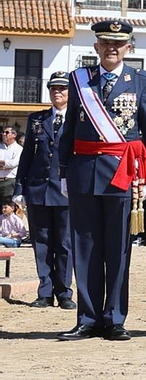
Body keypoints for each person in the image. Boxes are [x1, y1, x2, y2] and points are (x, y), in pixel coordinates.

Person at [59, 19, 146, 342]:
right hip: (84, 171)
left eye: (118, 44)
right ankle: (87, 318)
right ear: (96, 48)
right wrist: (63, 171)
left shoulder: (142, 80)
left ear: (129, 47)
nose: (112, 48)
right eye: (105, 43)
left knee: (118, 248)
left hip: (122, 172)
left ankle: (115, 317)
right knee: (85, 248)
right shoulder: (79, 80)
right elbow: (69, 129)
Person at [18, 72, 74, 310]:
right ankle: (44, 292)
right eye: (53, 89)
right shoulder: (37, 120)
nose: (57, 92)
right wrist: (20, 187)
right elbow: (27, 154)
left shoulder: (77, 119)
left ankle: (64, 292)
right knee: (41, 242)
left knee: (64, 243)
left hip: (65, 191)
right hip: (38, 189)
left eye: (62, 88)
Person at [0, 124, 21, 208]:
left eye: (7, 132)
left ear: (14, 135)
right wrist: (6, 165)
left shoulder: (18, 149)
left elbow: (13, 163)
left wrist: (3, 165)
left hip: (8, 182)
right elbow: (9, 164)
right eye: (3, 132)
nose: (4, 134)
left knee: (7, 207)